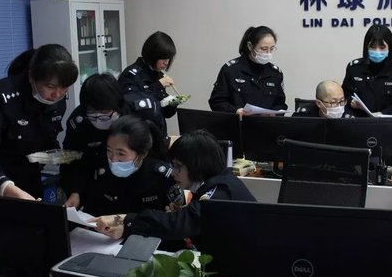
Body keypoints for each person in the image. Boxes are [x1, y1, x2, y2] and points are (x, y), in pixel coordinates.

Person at [90, 130, 256, 242]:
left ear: (197, 166)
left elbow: (178, 224)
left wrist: (124, 219)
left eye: (178, 166)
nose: (173, 173)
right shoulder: (220, 182)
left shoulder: (219, 192)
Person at [0, 44, 78, 200]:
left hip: (26, 174)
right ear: (31, 77)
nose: (57, 94)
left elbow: (47, 137)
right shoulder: (0, 96)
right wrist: (5, 186)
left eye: (64, 87)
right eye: (51, 87)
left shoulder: (57, 100)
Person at [82, 115, 184, 217]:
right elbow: (91, 210)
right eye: (109, 151)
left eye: (121, 154)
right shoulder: (101, 171)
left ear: (142, 154)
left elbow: (178, 216)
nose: (113, 160)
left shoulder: (162, 177)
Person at [61, 73, 128, 209]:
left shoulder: (132, 117)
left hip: (128, 180)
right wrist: (75, 192)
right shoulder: (78, 121)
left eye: (105, 113)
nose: (98, 119)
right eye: (92, 113)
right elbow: (72, 161)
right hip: (91, 179)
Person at [209, 25, 287, 117]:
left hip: (265, 124)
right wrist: (235, 111)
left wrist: (273, 113)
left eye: (272, 48)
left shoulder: (275, 73)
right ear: (250, 46)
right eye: (264, 49)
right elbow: (216, 102)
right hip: (237, 123)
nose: (268, 53)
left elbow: (280, 104)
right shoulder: (231, 70)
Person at [118, 31, 178, 139]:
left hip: (158, 135)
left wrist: (173, 103)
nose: (166, 62)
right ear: (152, 55)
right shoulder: (130, 75)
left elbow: (163, 113)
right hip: (138, 137)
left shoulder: (158, 74)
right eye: (163, 58)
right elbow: (134, 109)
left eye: (168, 58)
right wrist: (158, 85)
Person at [342, 24, 392, 117]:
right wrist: (350, 101)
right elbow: (345, 95)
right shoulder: (354, 68)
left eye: (382, 47)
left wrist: (382, 114)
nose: (377, 51)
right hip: (359, 121)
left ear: (390, 48)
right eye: (372, 46)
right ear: (366, 47)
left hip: (388, 122)